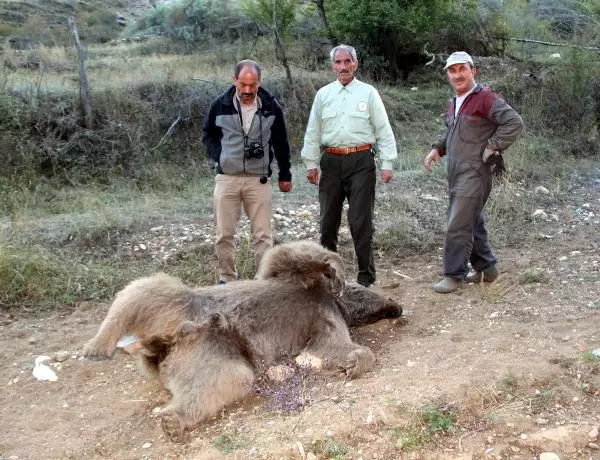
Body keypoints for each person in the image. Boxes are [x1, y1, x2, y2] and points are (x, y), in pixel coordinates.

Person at [424, 51, 523, 293]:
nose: (457, 75)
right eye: (452, 70)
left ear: (472, 71)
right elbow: (453, 131)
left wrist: (493, 145)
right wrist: (438, 148)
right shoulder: (456, 100)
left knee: (457, 223)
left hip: (476, 172)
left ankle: (453, 275)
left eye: (462, 69)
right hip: (455, 171)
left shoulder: (485, 97)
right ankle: (487, 268)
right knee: (471, 219)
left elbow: (514, 122)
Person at [301, 44, 398, 287]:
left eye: (347, 61)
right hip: (331, 162)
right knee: (327, 222)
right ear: (332, 65)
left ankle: (366, 277)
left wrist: (387, 162)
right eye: (338, 62)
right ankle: (327, 277)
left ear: (355, 63)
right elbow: (313, 130)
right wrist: (311, 163)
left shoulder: (368, 93)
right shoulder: (323, 95)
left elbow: (383, 129)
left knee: (360, 221)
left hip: (361, 161)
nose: (343, 67)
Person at [203, 59, 292, 284]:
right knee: (224, 234)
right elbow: (208, 135)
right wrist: (221, 156)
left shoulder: (272, 107)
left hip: (258, 180)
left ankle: (264, 281)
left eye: (252, 85)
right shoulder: (219, 105)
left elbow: (281, 142)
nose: (247, 90)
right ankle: (227, 279)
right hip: (227, 178)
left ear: (259, 82)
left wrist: (285, 174)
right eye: (243, 84)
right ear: (235, 80)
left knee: (263, 236)